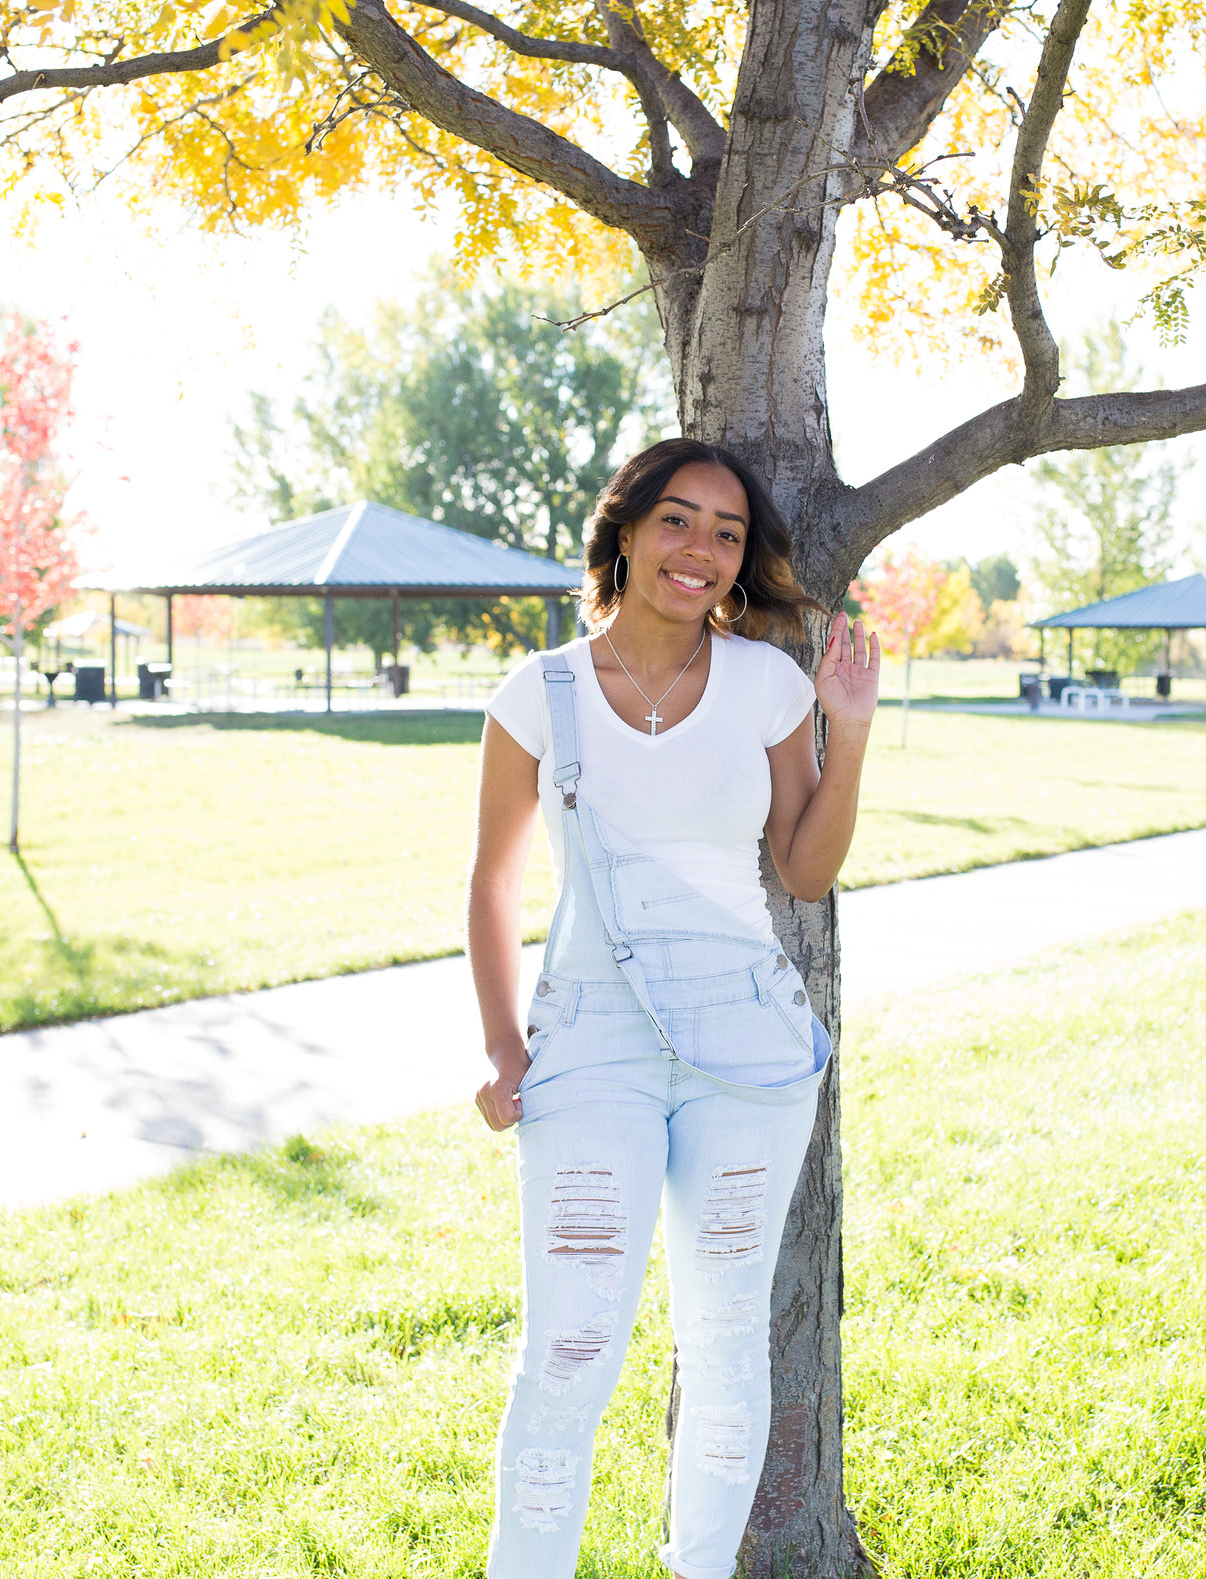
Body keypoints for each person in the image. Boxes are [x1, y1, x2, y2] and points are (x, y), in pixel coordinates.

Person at [467, 437, 881, 1578]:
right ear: (627, 531)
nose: (700, 548)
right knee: (569, 1344)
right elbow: (493, 881)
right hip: (589, 1036)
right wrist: (505, 1046)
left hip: (746, 1040)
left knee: (725, 1338)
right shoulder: (536, 693)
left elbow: (802, 870)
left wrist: (847, 736)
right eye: (677, 520)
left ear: (742, 563)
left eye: (727, 532)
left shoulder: (764, 682)